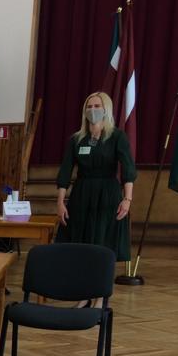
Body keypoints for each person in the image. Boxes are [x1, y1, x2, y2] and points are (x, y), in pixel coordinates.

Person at [56, 91, 136, 292]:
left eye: (97, 106)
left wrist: (127, 199)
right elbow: (65, 171)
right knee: (80, 245)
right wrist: (60, 202)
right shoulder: (77, 139)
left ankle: (99, 296)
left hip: (107, 195)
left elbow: (128, 169)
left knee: (102, 246)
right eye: (89, 106)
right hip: (82, 194)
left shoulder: (117, 136)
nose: (93, 110)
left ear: (106, 109)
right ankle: (83, 294)